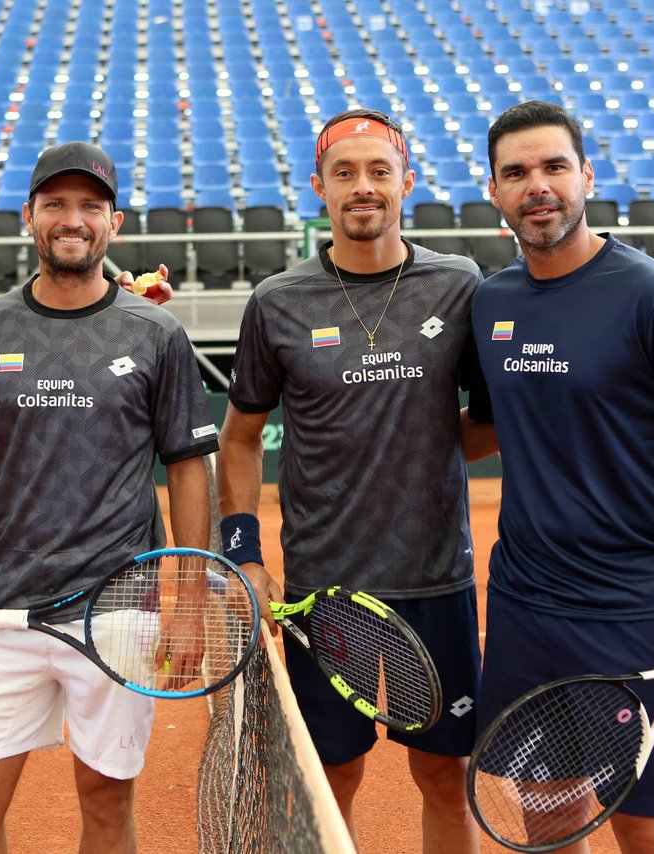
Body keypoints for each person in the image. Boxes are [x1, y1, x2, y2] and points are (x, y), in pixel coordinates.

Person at [468, 100, 654, 853]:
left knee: (650, 831)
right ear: (494, 191)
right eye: (517, 172)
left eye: (554, 167)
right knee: (551, 818)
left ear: (586, 175)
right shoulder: (491, 303)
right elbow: (476, 430)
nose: (538, 186)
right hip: (528, 607)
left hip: (637, 610)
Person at [0, 140, 217, 853]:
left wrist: (190, 601)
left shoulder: (155, 331)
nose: (72, 219)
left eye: (90, 205)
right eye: (56, 203)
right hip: (2, 610)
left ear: (113, 223)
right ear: (30, 216)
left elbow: (187, 467)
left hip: (118, 611)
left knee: (107, 805)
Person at [216, 109, 490, 852]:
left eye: (378, 171)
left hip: (435, 582)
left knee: (444, 775)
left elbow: (491, 418)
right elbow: (240, 438)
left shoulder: (459, 285)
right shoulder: (277, 301)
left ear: (407, 181)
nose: (363, 187)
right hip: (320, 589)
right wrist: (243, 553)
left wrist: (419, 446)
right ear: (319, 188)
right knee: (331, 778)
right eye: (345, 174)